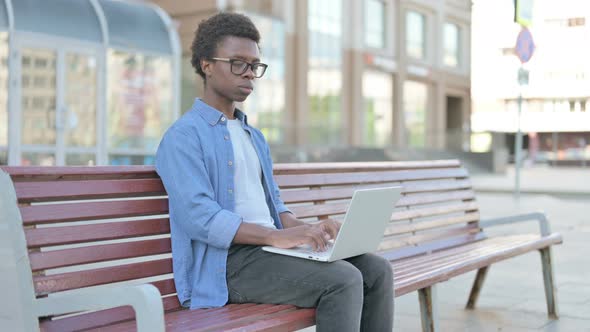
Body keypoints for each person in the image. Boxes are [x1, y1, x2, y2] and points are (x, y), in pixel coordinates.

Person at [156, 12, 394, 331]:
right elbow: (199, 218)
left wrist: (307, 231)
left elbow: (274, 207)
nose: (250, 74)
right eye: (238, 63)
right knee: (343, 280)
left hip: (267, 252)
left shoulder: (253, 136)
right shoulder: (183, 136)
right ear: (206, 64)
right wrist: (276, 236)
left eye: (255, 65)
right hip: (227, 265)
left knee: (377, 270)